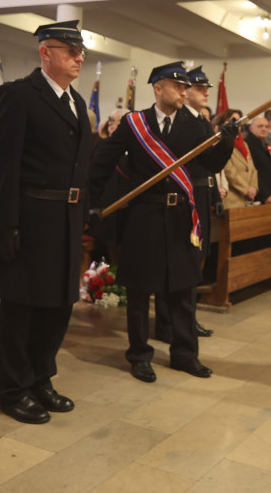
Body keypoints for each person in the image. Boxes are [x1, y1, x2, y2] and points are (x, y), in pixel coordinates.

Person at [89, 62, 238, 384]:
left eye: (186, 87)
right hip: (144, 217)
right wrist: (92, 203)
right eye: (178, 86)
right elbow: (102, 164)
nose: (185, 91)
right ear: (158, 88)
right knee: (140, 291)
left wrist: (226, 141)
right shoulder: (135, 123)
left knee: (183, 290)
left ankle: (185, 355)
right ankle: (140, 355)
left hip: (183, 217)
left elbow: (212, 164)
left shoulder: (196, 125)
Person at [0, 20, 92, 425]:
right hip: (31, 219)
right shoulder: (18, 95)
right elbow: (3, 164)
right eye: (70, 51)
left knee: (57, 307)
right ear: (45, 53)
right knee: (23, 309)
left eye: (80, 52)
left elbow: (80, 166)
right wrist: (4, 223)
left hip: (65, 220)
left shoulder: (76, 101)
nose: (79, 58)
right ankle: (13, 389)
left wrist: (84, 213)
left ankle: (40, 379)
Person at [153, 65, 219, 342]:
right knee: (175, 262)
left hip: (201, 195)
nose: (206, 93)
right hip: (183, 197)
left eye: (206, 89)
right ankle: (167, 322)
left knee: (195, 260)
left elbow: (211, 166)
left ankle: (187, 318)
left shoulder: (200, 120)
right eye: (199, 88)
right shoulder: (179, 120)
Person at [245, 116, 271, 204]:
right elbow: (254, 172)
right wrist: (265, 195)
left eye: (266, 126)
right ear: (251, 129)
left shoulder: (265, 144)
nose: (264, 129)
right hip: (261, 196)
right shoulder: (248, 145)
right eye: (260, 126)